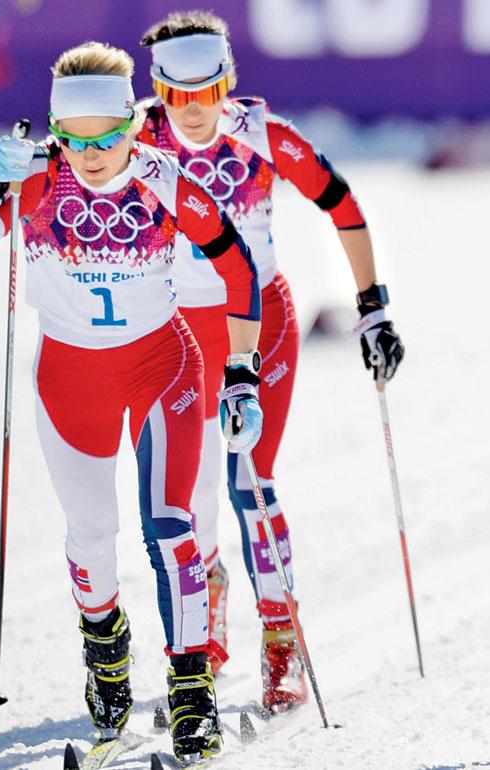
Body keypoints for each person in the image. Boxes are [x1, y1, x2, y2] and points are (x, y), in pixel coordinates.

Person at [0, 41, 264, 763]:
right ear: (57, 131)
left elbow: (239, 268)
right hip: (70, 380)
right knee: (91, 534)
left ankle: (192, 694)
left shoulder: (163, 177)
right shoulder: (35, 180)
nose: (90, 156)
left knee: (172, 528)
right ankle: (107, 660)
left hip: (162, 368)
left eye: (107, 138)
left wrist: (240, 370)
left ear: (131, 126)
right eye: (74, 140)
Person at [138, 11, 405, 713]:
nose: (192, 110)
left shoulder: (260, 133)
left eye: (207, 91)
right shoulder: (133, 138)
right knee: (184, 499)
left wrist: (372, 306)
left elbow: (340, 202)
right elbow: (69, 165)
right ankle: (207, 613)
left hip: (259, 327)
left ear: (228, 80)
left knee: (248, 480)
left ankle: (282, 636)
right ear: (157, 90)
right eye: (175, 95)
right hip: (175, 334)